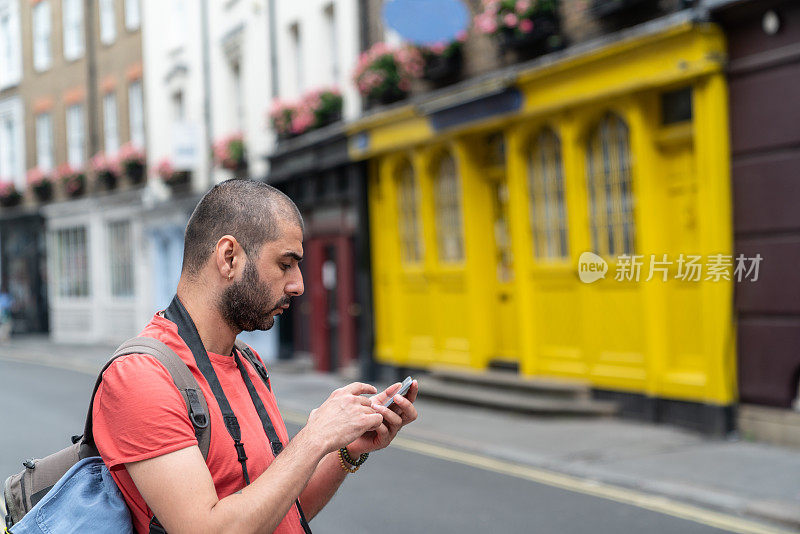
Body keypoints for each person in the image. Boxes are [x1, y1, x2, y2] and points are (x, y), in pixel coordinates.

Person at [92, 179, 418, 534]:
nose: (298, 285)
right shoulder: (141, 376)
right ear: (228, 257)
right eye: (285, 264)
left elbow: (277, 514)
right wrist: (314, 437)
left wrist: (347, 451)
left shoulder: (248, 362)